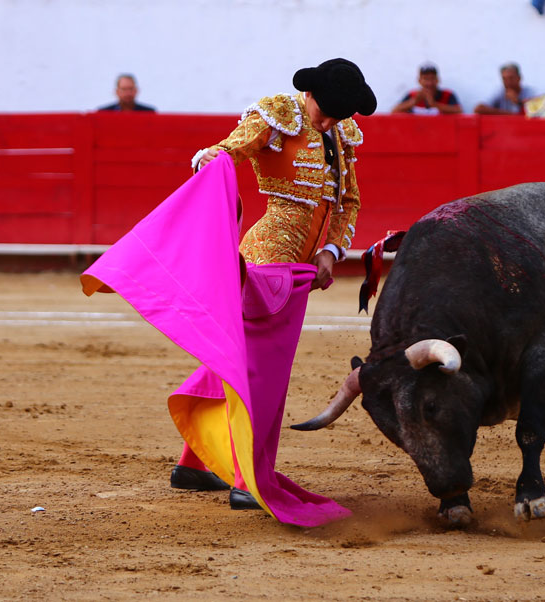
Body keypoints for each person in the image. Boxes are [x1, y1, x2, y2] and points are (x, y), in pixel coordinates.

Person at [173, 58, 377, 510]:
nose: (326, 122)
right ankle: (248, 477)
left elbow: (349, 201)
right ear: (310, 94)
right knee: (265, 372)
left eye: (336, 116)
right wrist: (208, 162)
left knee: (237, 358)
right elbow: (229, 151)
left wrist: (331, 251)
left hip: (299, 269)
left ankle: (194, 463)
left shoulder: (340, 136)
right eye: (324, 111)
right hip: (268, 262)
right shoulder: (278, 114)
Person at [392, 63, 462, 115]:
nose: (429, 83)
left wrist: (434, 104)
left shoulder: (448, 95)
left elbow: (459, 111)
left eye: (432, 78)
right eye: (426, 79)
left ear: (438, 80)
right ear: (419, 80)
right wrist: (414, 101)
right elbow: (394, 111)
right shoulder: (412, 95)